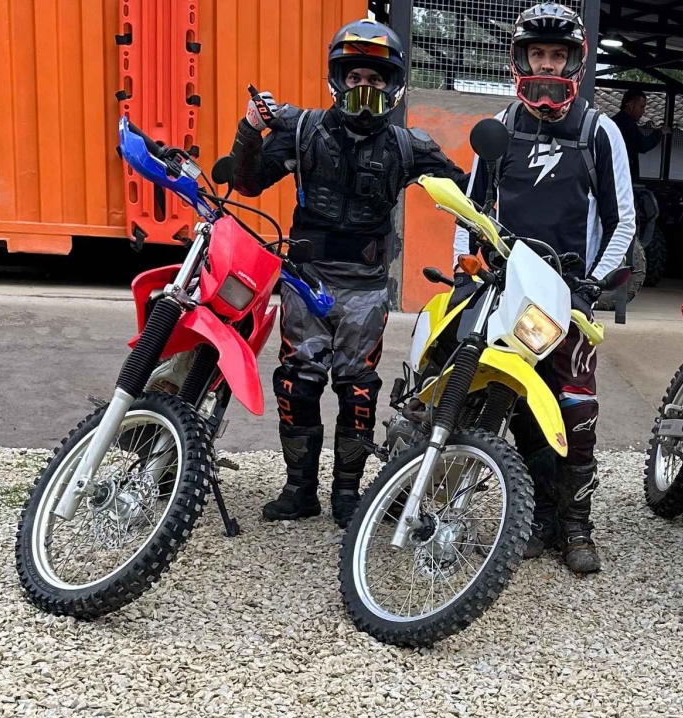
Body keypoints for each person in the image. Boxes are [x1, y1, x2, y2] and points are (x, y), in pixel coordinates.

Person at [228, 18, 466, 527]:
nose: (364, 87)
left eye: (375, 79)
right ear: (338, 79)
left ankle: (347, 494)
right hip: (306, 281)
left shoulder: (408, 145)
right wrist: (249, 128)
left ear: (393, 85)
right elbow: (247, 183)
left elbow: (464, 192)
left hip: (366, 288)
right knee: (296, 384)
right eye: (355, 76)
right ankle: (299, 491)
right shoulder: (302, 130)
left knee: (358, 390)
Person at [454, 2, 635, 575]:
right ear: (521, 59)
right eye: (538, 53)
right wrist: (466, 268)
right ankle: (538, 517)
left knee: (576, 411)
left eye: (558, 55)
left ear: (575, 62)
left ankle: (577, 525)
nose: (548, 65)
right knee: (514, 402)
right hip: (509, 290)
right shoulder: (501, 126)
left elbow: (624, 222)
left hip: (571, 294)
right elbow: (470, 208)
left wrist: (591, 287)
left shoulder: (599, 131)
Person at [611, 87, 663, 191]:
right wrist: (659, 133)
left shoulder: (615, 121)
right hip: (621, 178)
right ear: (630, 105)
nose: (643, 112)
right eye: (641, 107)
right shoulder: (626, 124)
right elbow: (642, 145)